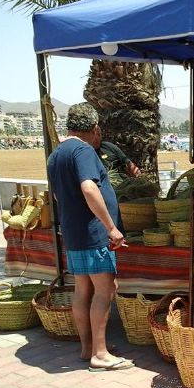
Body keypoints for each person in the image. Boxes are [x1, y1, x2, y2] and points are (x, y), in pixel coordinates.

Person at [47, 102, 134, 372]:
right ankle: (100, 354)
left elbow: (58, 195)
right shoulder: (83, 150)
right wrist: (111, 227)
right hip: (93, 234)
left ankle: (88, 348)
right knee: (105, 290)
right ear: (95, 128)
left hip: (74, 232)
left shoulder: (56, 154)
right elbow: (88, 188)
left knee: (82, 290)